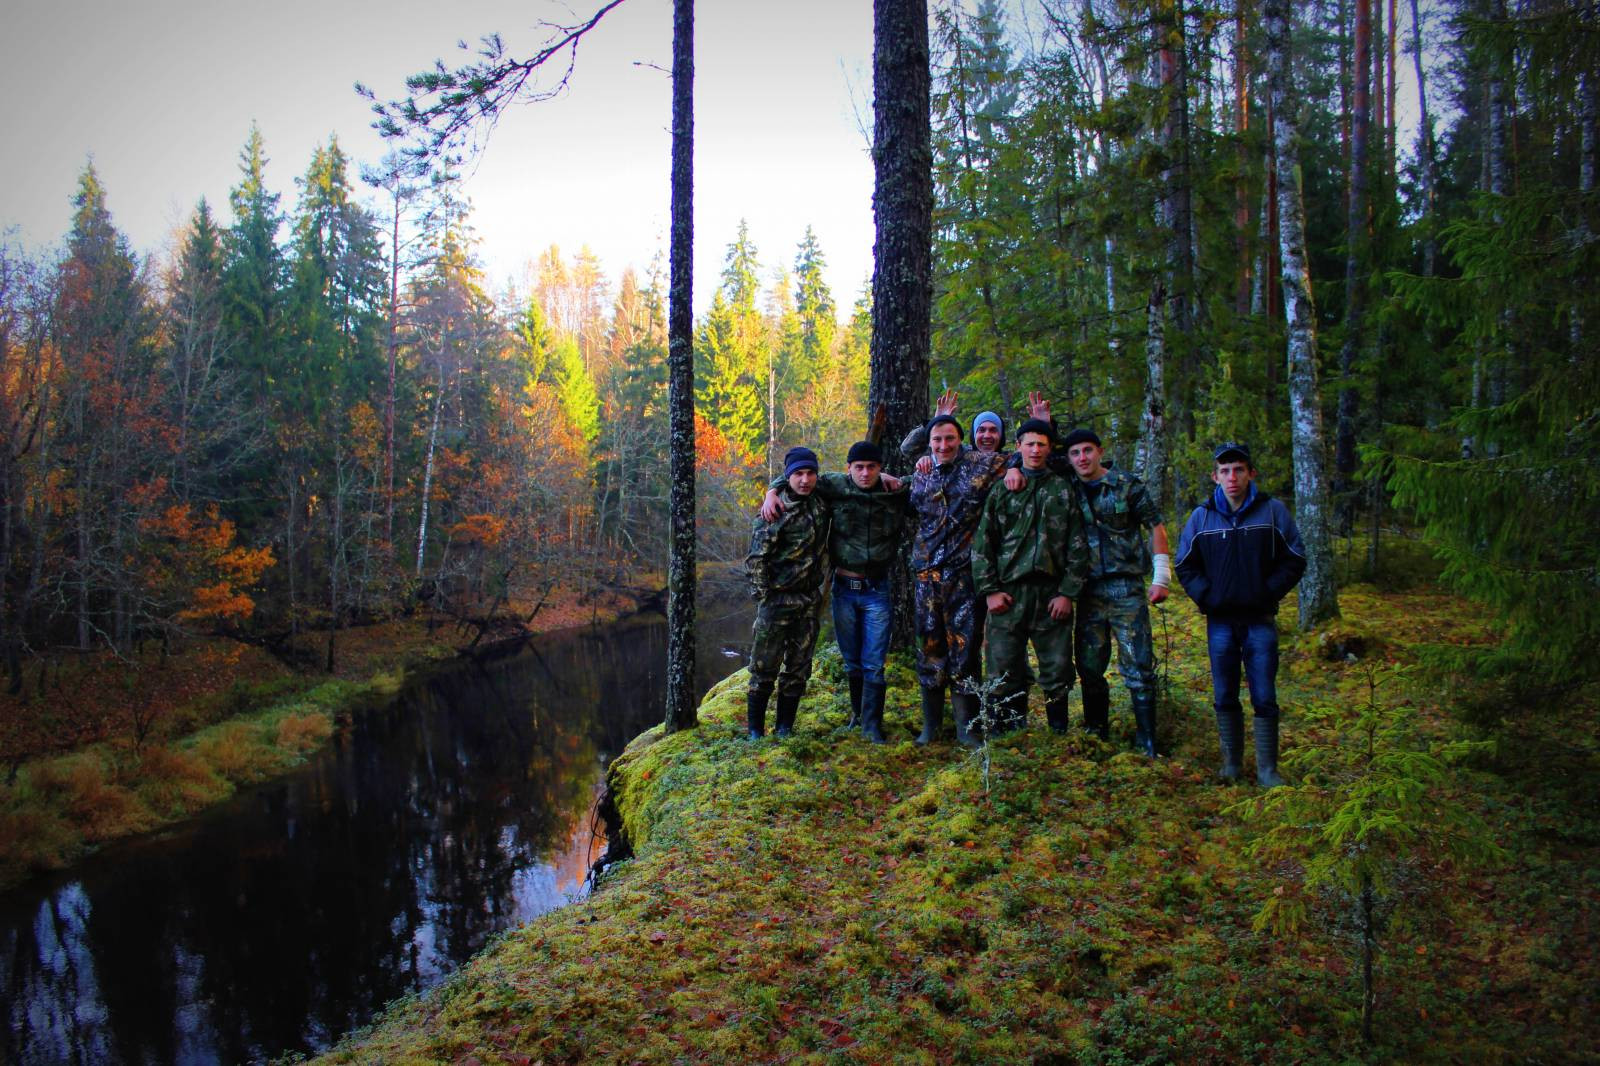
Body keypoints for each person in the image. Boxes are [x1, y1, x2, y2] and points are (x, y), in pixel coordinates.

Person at [1175, 442, 1307, 786]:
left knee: (1264, 694)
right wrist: (1208, 597)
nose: (1232, 477)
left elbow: (1295, 558)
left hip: (1260, 619)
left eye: (1238, 469)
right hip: (1220, 622)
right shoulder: (1201, 517)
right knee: (1224, 693)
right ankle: (1231, 764)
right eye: (1225, 471)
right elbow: (1185, 565)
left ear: (1251, 474)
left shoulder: (1273, 512)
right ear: (1215, 476)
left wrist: (1267, 592)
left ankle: (1267, 770)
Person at [759, 441, 908, 743]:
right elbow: (797, 474)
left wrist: (894, 477)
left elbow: (932, 477)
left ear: (880, 468)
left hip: (877, 590)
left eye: (872, 467)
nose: (865, 473)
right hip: (844, 588)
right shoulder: (834, 485)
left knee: (874, 662)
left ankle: (872, 725)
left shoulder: (894, 491)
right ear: (848, 468)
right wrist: (771, 491)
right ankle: (857, 716)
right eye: (859, 467)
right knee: (852, 660)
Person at [971, 419, 1091, 733]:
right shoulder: (1003, 489)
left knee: (1057, 667)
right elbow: (984, 543)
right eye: (1029, 444)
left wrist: (1068, 592)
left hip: (1051, 595)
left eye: (1041, 444)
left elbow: (1078, 544)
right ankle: (1007, 733)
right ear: (1019, 447)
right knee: (1002, 666)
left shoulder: (1062, 489)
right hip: (1009, 594)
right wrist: (990, 590)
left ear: (1049, 449)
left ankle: (1058, 733)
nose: (1035, 450)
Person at [1057, 427, 1170, 755]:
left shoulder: (1126, 485)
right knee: (1089, 666)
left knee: (1138, 663)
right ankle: (1096, 732)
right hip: (1087, 590)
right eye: (1075, 453)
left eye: (1088, 450)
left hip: (1126, 588)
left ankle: (1147, 739)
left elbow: (1156, 526)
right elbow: (1032, 457)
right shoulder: (1068, 488)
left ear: (1099, 450)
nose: (1082, 458)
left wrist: (1161, 577)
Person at [908, 412, 1010, 745]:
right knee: (929, 649)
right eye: (937, 439)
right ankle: (931, 727)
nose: (943, 445)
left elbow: (1035, 455)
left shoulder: (981, 466)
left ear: (960, 440)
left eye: (949, 438)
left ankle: (969, 728)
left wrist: (1044, 425)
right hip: (926, 578)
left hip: (963, 577)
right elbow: (904, 450)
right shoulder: (920, 473)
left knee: (965, 650)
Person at [744, 446, 831, 740]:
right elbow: (756, 560)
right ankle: (755, 731)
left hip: (808, 601)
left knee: (798, 668)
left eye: (810, 473)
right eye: (798, 474)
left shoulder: (821, 500)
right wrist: (764, 599)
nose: (805, 480)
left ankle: (784, 729)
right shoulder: (774, 511)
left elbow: (856, 477)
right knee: (763, 668)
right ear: (788, 476)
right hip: (777, 601)